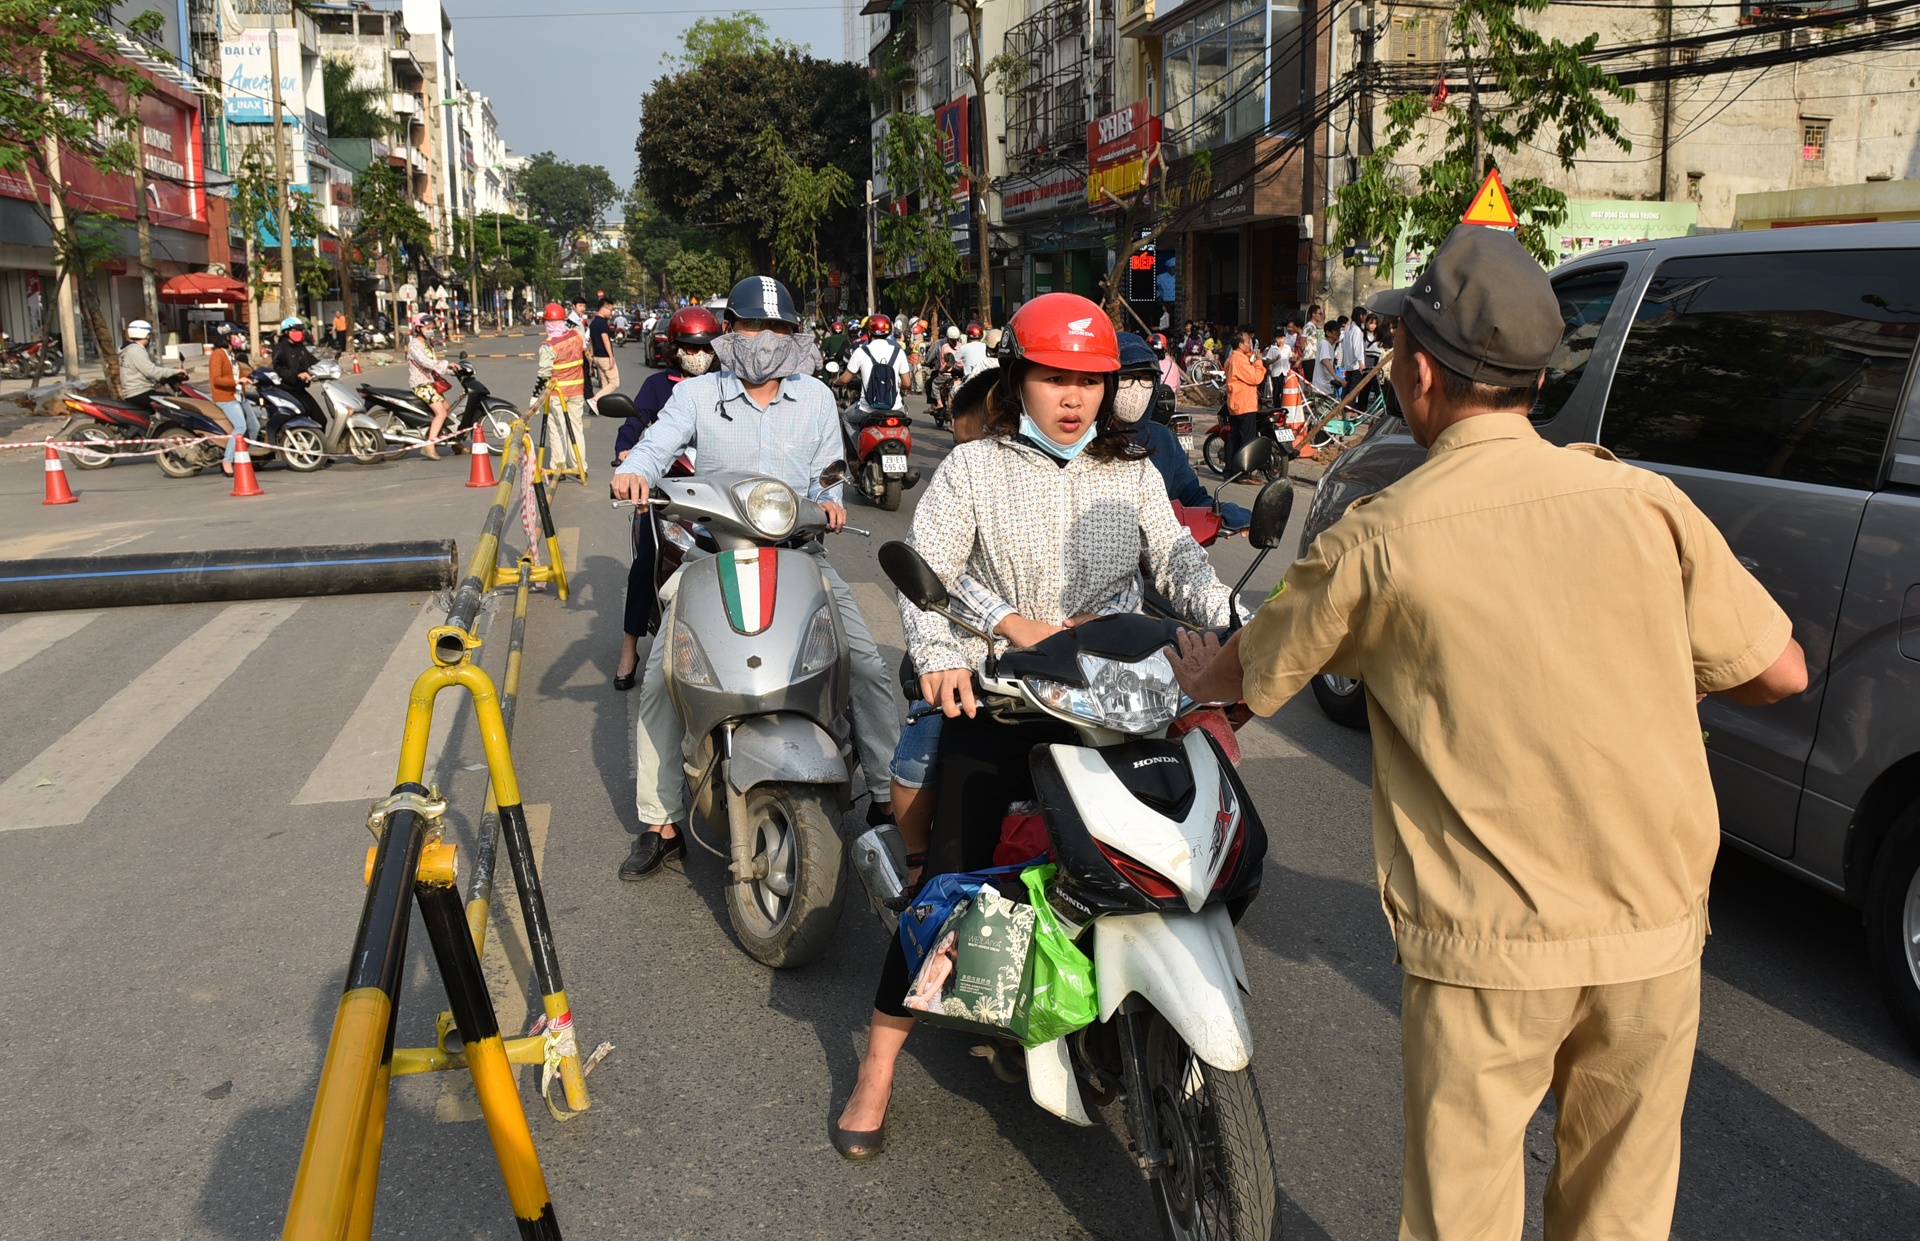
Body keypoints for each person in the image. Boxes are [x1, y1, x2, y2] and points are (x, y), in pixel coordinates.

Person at [1168, 224, 1808, 1241]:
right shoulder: (1646, 502)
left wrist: (1197, 669)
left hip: (1490, 950)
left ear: (1420, 370)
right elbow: (1780, 670)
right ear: (1536, 378)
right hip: (1653, 932)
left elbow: (1251, 670)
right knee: (1620, 1217)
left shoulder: (1383, 534)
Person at [831, 293, 1242, 1161]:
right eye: (1055, 377)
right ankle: (878, 1063)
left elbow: (1179, 561)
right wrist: (945, 653)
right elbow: (928, 573)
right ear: (1018, 379)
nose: (1073, 397)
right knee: (949, 880)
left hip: (1119, 702)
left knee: (1201, 844)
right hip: (1005, 699)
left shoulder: (1132, 471)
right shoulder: (973, 468)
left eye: (1089, 381)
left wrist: (1237, 620)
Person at [611, 274, 897, 880]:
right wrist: (635, 470)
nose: (763, 338)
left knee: (867, 666)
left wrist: (831, 500)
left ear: (794, 335)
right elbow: (655, 446)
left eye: (777, 328)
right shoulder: (698, 394)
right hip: (710, 556)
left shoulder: (815, 397)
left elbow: (828, 472)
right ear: (728, 331)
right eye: (750, 325)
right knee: (661, 681)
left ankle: (885, 795)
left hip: (801, 555)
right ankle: (661, 822)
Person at [611, 305, 719, 690]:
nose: (699, 355)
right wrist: (626, 455)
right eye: (691, 347)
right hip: (666, 491)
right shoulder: (658, 386)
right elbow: (632, 424)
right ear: (674, 348)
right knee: (647, 560)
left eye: (706, 347)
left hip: (718, 493)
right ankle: (629, 647)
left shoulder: (726, 385)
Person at [1114, 332, 1249, 531]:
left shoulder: (1163, 440)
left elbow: (1190, 498)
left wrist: (1224, 513)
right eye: (1125, 378)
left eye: (1145, 378)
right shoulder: (1085, 442)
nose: (1136, 389)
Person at [534, 301, 588, 474]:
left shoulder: (548, 346)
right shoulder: (576, 335)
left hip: (557, 394)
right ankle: (580, 466)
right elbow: (575, 330)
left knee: (558, 429)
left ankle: (559, 466)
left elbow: (544, 375)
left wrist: (535, 395)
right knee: (576, 428)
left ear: (546, 323)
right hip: (577, 390)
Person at [405, 313, 458, 460]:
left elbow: (434, 366)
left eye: (432, 328)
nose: (430, 331)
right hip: (421, 385)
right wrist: (447, 364)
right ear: (418, 328)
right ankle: (429, 445)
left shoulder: (427, 344)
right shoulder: (414, 345)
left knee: (447, 409)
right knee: (441, 413)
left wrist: (453, 370)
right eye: (427, 328)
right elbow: (425, 362)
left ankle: (454, 442)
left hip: (431, 384)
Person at [207, 321, 255, 478]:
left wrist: (256, 376)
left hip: (239, 395)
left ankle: (246, 457)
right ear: (226, 337)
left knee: (254, 426)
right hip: (225, 398)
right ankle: (227, 460)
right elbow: (216, 379)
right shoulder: (217, 355)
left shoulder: (231, 354)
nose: (238, 337)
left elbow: (240, 374)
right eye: (234, 334)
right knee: (240, 427)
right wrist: (237, 381)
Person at [843, 313, 911, 419]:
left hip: (867, 409)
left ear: (869, 333)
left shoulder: (861, 351)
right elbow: (907, 383)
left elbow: (845, 379)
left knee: (846, 417)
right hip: (896, 408)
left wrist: (835, 382)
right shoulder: (899, 352)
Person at [117, 319, 185, 412]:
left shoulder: (127, 349)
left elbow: (142, 371)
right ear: (147, 335)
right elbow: (151, 371)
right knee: (176, 404)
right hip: (140, 393)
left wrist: (159, 380)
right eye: (149, 335)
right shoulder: (136, 351)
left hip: (134, 392)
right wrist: (176, 371)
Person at [1223, 330, 1265, 478]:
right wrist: (1258, 362)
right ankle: (1243, 474)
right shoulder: (1239, 360)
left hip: (1237, 403)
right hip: (1244, 404)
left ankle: (1230, 471)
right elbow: (1256, 378)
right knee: (1246, 440)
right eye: (1247, 342)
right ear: (1240, 345)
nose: (1249, 344)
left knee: (1234, 438)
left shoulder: (1233, 358)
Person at [590, 297, 620, 397]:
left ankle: (601, 403)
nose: (611, 313)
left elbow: (591, 339)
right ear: (604, 308)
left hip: (597, 357)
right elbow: (605, 340)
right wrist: (611, 356)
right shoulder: (602, 323)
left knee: (605, 383)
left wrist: (591, 354)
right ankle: (595, 400)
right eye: (610, 310)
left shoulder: (593, 322)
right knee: (614, 383)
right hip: (604, 356)